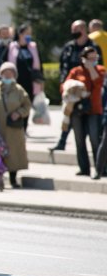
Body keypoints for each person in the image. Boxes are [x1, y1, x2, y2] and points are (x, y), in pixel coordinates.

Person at [52, 20, 103, 152]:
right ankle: (62, 141)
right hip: (71, 90)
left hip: (90, 93)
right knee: (68, 117)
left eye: (76, 30)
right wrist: (64, 85)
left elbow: (99, 69)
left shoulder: (93, 47)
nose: (73, 33)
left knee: (93, 131)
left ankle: (100, 162)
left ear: (84, 30)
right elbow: (63, 67)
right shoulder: (69, 47)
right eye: (72, 30)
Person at [63, 47, 104, 177]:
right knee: (79, 140)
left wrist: (91, 68)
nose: (93, 61)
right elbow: (65, 86)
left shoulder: (101, 70)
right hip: (78, 110)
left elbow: (98, 83)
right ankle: (84, 168)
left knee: (95, 139)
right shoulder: (75, 71)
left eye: (95, 58)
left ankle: (100, 168)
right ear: (83, 59)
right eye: (90, 58)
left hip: (94, 109)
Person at [7, 24, 42, 103]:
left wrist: (41, 81)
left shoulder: (33, 46)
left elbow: (40, 65)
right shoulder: (12, 46)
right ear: (20, 34)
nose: (29, 36)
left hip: (31, 81)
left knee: (29, 103)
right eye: (27, 33)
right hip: (17, 80)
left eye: (30, 34)